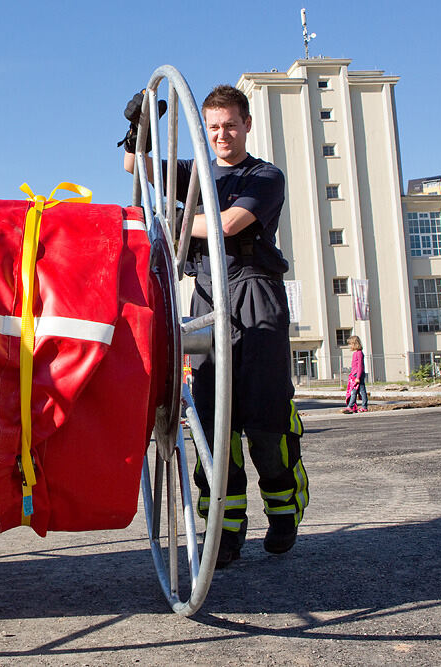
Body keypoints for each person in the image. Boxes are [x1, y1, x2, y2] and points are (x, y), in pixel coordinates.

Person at [123, 84, 309, 567]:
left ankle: (284, 512)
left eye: (230, 125)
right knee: (210, 417)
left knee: (266, 417)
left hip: (253, 292)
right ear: (204, 131)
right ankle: (223, 532)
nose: (222, 134)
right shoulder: (194, 174)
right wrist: (137, 135)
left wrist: (179, 219)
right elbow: (137, 173)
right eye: (213, 127)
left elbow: (229, 225)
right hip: (206, 294)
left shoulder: (265, 176)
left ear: (246, 124)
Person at [343, 336, 368, 413]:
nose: (350, 346)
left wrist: (358, 377)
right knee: (353, 391)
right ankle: (351, 406)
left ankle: (364, 406)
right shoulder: (355, 353)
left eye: (351, 344)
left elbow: (360, 366)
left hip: (358, 375)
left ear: (354, 344)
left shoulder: (359, 353)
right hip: (354, 375)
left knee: (362, 391)